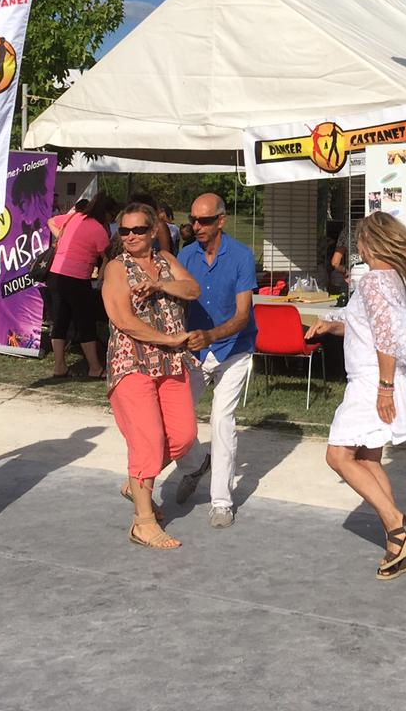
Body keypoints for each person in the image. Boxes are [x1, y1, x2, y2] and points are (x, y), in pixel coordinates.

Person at [307, 212, 406, 578]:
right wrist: (334, 326)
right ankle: (398, 545)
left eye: (360, 243)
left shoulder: (373, 281)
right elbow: (371, 329)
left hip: (371, 380)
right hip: (374, 375)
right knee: (368, 460)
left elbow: (387, 339)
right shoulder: (390, 280)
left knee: (338, 456)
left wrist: (385, 389)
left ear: (371, 243)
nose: (357, 250)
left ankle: (399, 525)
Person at [102, 202, 201, 549]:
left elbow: (192, 290)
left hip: (171, 363)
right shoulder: (116, 268)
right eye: (123, 231)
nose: (130, 236)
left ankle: (136, 482)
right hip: (133, 363)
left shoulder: (166, 263)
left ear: (153, 231)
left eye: (138, 230)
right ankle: (143, 522)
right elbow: (123, 319)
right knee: (146, 440)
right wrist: (168, 338)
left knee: (184, 436)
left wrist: (160, 285)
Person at [172, 192, 257, 528]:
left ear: (221, 220)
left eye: (204, 220)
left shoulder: (241, 256)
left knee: (222, 420)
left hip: (234, 347)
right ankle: (195, 465)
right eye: (193, 220)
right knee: (177, 419)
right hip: (195, 351)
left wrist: (210, 336)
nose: (196, 226)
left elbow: (242, 316)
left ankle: (221, 501)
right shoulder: (186, 255)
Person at [46, 192, 116, 380]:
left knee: (60, 321)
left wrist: (60, 238)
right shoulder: (99, 230)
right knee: (84, 323)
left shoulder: (75, 217)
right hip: (77, 278)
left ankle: (59, 366)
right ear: (107, 213)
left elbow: (51, 220)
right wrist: (101, 279)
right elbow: (106, 257)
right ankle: (94, 367)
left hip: (56, 274)